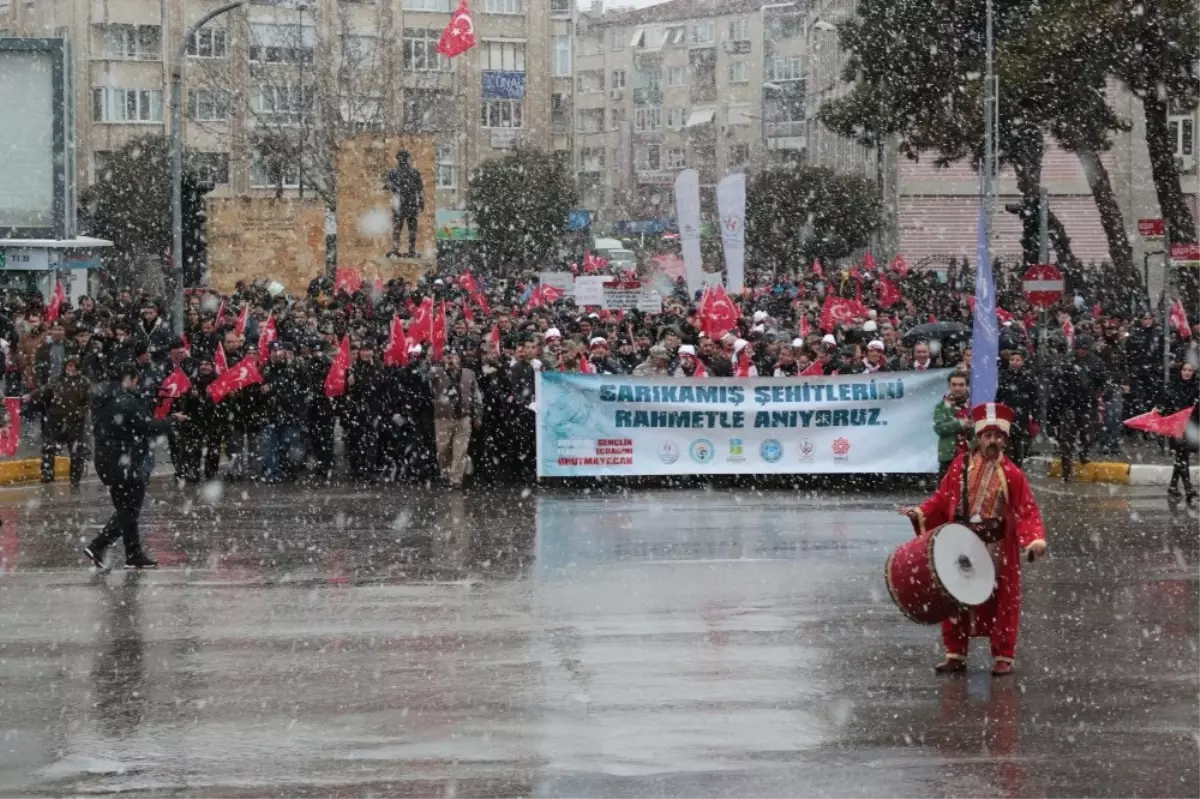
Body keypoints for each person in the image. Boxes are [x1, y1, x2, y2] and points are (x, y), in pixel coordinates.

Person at [899, 403, 1048, 676]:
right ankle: (955, 652)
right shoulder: (960, 466)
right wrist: (920, 512)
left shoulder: (1012, 474)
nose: (993, 441)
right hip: (962, 541)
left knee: (1003, 601)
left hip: (997, 547)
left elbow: (1027, 509)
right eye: (988, 436)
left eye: (998, 436)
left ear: (1005, 439)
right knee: (953, 596)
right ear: (978, 437)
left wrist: (1034, 539)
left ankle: (1003, 655)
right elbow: (942, 499)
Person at [84, 364, 183, 570]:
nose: (137, 385)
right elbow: (147, 427)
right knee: (130, 509)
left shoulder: (102, 399)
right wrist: (172, 420)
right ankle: (99, 545)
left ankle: (133, 553)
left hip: (106, 460)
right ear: (128, 378)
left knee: (125, 507)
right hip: (124, 460)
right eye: (136, 380)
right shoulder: (126, 401)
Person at [35, 355, 90, 486]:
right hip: (55, 420)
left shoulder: (84, 382)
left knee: (76, 453)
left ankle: (75, 479)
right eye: (69, 366)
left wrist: (80, 413)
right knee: (48, 448)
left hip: (75, 422)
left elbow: (88, 402)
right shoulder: (56, 381)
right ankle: (47, 474)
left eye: (74, 366)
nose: (71, 369)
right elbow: (44, 394)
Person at [430, 350, 480, 488]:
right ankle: (446, 473)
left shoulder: (469, 374)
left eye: (453, 356)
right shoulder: (436, 372)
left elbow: (476, 395)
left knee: (460, 450)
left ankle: (456, 479)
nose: (451, 359)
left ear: (459, 358)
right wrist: (429, 358)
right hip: (443, 418)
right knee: (442, 450)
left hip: (463, 417)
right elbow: (422, 375)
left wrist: (478, 414)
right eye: (447, 356)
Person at [1158, 362, 1200, 502]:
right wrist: (1158, 409)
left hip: (1191, 427)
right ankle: (1188, 487)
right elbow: (1164, 404)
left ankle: (1173, 486)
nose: (1187, 373)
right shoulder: (1172, 386)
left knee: (1181, 456)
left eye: (1190, 370)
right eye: (1184, 370)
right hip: (1176, 427)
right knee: (1183, 454)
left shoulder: (1197, 387)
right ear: (1180, 370)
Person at [386, 149, 425, 258]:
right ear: (406, 159)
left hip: (400, 204)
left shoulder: (394, 172)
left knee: (398, 228)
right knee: (410, 228)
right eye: (408, 158)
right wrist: (421, 201)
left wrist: (396, 188)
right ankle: (410, 249)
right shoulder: (413, 172)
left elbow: (389, 185)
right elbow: (420, 189)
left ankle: (396, 249)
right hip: (410, 204)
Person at [934, 370, 972, 477]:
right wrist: (961, 424)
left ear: (967, 386)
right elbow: (939, 428)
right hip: (948, 457)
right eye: (954, 385)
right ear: (949, 386)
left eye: (961, 385)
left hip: (970, 457)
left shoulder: (973, 405)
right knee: (945, 492)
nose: (957, 388)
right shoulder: (942, 406)